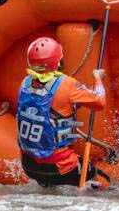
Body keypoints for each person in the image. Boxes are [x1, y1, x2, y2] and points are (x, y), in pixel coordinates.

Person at [16, 36, 113, 190]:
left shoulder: (25, 82)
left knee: (50, 185)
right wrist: (98, 79)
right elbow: (100, 101)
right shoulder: (68, 85)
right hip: (59, 166)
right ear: (58, 61)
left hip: (29, 166)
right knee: (103, 180)